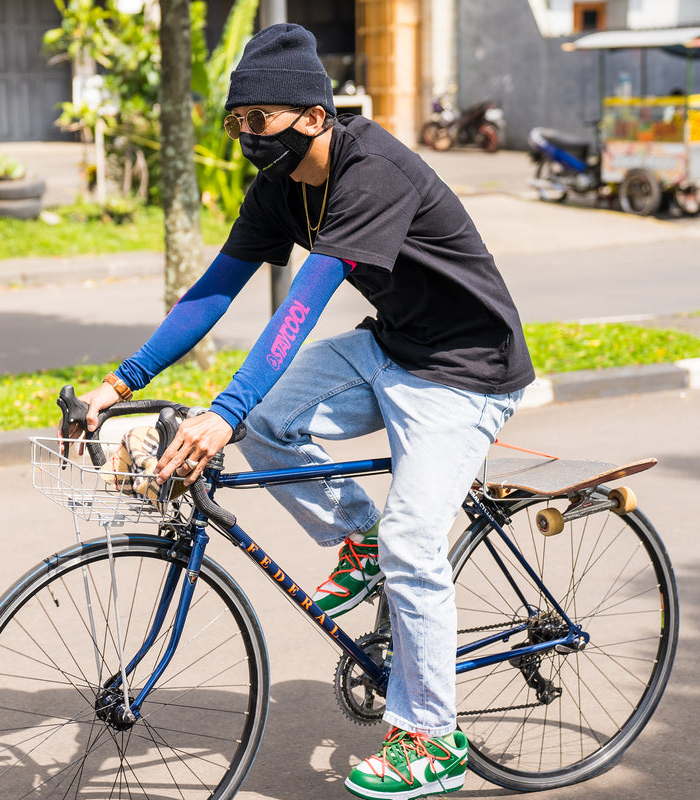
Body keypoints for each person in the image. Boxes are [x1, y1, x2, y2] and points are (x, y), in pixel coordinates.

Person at [77, 23, 534, 799]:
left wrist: (223, 410)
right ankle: (359, 540)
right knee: (268, 420)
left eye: (258, 119)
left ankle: (432, 741)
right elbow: (213, 292)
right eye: (237, 123)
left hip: (466, 373)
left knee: (414, 542)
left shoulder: (372, 173)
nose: (247, 136)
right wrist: (119, 384)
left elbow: (300, 309)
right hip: (393, 347)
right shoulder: (280, 188)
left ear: (315, 116)